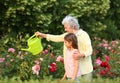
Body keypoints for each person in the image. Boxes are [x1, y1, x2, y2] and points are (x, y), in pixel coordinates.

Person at [35, 15, 93, 83]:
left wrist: (80, 55)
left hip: (85, 70)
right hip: (72, 72)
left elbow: (89, 50)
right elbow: (56, 37)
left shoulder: (83, 35)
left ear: (73, 26)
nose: (65, 30)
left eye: (66, 27)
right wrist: (43, 35)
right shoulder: (67, 36)